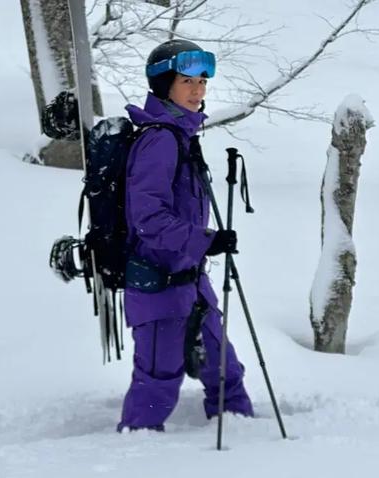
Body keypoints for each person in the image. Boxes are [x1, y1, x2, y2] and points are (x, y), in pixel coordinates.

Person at [118, 39, 254, 432]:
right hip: (159, 287)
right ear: (164, 87)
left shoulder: (182, 135)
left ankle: (245, 437)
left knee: (223, 365)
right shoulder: (159, 140)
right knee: (157, 382)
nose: (198, 91)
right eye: (186, 82)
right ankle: (135, 451)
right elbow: (148, 219)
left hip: (191, 280)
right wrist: (205, 240)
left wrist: (203, 244)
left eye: (202, 82)